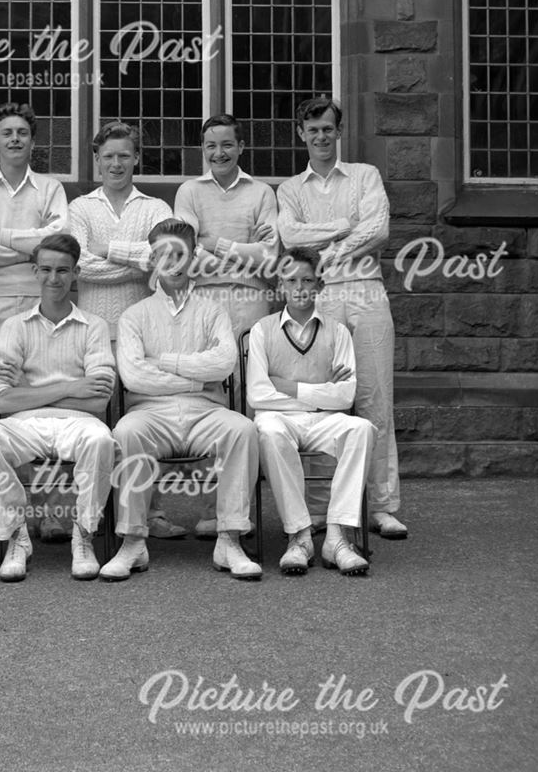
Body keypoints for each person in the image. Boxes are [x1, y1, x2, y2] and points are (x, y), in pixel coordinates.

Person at [100, 219, 261, 582]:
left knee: (243, 429)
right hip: (150, 413)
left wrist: (167, 364)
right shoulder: (134, 316)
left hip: (207, 412)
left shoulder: (212, 311)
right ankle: (132, 542)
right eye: (162, 254)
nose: (171, 262)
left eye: (179, 253)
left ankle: (229, 539)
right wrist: (195, 379)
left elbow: (224, 363)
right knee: (126, 432)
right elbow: (134, 376)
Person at [276, 97, 406, 540]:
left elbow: (380, 228)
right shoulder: (291, 189)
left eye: (327, 129)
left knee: (374, 400)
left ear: (338, 131)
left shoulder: (365, 176)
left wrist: (325, 254)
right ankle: (319, 508)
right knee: (319, 403)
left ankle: (383, 506)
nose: (320, 137)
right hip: (321, 297)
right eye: (312, 130)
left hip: (367, 294)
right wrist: (344, 229)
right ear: (301, 134)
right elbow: (290, 235)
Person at [0, 234, 116, 582]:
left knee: (101, 441)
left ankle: (84, 535)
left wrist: (30, 389)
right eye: (47, 270)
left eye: (63, 270)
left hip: (79, 422)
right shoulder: (14, 326)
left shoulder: (94, 327)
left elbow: (98, 399)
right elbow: (2, 400)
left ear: (76, 273)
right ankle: (17, 538)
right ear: (35, 271)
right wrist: (70, 387)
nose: (54, 278)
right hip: (24, 424)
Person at [0, 102, 70, 541]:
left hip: (40, 300)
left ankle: (52, 511)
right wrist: (33, 250)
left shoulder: (50, 188)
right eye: (7, 132)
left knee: (45, 400)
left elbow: (60, 243)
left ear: (32, 140)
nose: (15, 139)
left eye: (22, 132)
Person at [68, 121, 183, 539]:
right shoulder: (80, 209)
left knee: (140, 419)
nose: (116, 163)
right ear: (96, 160)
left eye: (123, 155)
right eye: (108, 156)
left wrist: (109, 249)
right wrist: (136, 260)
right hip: (93, 328)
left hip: (143, 329)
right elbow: (78, 265)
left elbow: (168, 255)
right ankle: (91, 513)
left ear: (136, 158)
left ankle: (150, 513)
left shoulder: (154, 208)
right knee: (93, 420)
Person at [173, 113, 279, 538]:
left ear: (240, 147)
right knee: (211, 401)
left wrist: (215, 244)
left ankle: (242, 511)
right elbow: (185, 252)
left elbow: (270, 257)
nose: (219, 153)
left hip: (251, 299)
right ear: (204, 150)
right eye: (211, 146)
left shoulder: (260, 193)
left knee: (250, 405)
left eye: (227, 145)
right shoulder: (189, 192)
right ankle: (207, 511)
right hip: (205, 299)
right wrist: (240, 250)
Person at [247, 247, 374, 576]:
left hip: (324, 420)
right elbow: (258, 395)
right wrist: (322, 392)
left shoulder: (338, 331)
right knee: (269, 431)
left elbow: (346, 396)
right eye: (292, 280)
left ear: (320, 285)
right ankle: (299, 536)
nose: (300, 286)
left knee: (360, 429)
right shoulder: (262, 330)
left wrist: (289, 387)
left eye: (307, 279)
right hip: (279, 420)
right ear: (281, 285)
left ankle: (337, 536)